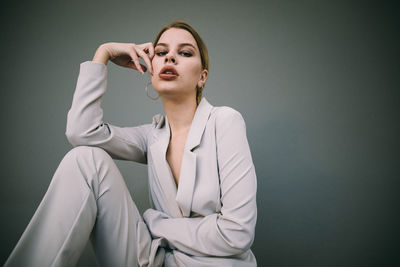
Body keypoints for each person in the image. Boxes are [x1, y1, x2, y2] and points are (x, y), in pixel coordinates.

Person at [4, 21, 258, 267]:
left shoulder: (225, 121)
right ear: (150, 67)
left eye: (184, 52)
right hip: (157, 261)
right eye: (161, 52)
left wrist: (155, 223)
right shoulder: (153, 136)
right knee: (84, 159)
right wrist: (104, 53)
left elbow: (237, 234)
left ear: (202, 77)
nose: (170, 57)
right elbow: (82, 132)